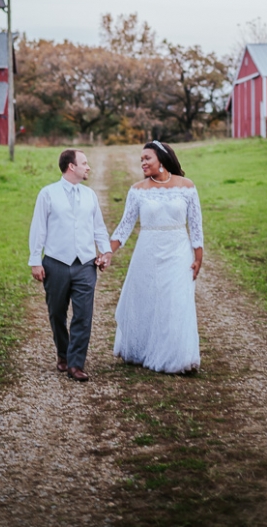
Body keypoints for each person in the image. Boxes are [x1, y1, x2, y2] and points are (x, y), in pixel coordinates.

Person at [97, 141, 203, 374]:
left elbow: (196, 226)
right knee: (147, 300)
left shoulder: (186, 187)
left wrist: (198, 256)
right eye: (141, 160)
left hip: (177, 250)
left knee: (175, 302)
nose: (143, 163)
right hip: (147, 250)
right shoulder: (137, 190)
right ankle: (143, 349)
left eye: (147, 158)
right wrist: (107, 252)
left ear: (162, 160)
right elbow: (124, 227)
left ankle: (177, 357)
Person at [29, 149, 111, 382]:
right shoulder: (48, 194)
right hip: (55, 263)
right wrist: (35, 260)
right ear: (71, 166)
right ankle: (63, 354)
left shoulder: (90, 195)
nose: (88, 167)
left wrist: (105, 252)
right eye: (84, 163)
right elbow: (39, 228)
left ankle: (76, 364)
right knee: (56, 313)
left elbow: (98, 227)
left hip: (85, 264)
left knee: (83, 315)